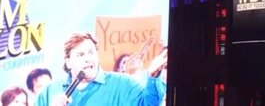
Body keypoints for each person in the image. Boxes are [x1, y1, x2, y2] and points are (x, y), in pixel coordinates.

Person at [36, 33, 167, 106]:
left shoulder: (123, 84)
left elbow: (149, 104)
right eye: (80, 55)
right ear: (68, 62)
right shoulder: (50, 91)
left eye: (91, 52)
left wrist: (153, 77)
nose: (88, 58)